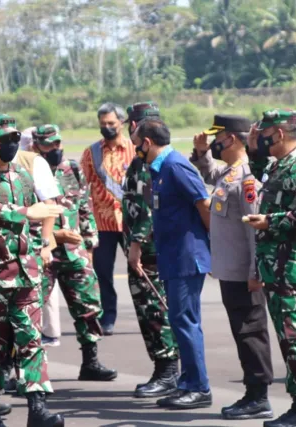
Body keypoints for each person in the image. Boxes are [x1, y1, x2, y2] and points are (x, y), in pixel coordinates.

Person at [0, 114, 65, 427]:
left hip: (26, 275)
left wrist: (43, 243)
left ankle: (37, 409)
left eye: (13, 138)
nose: (11, 144)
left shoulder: (21, 174)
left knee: (32, 341)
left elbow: (42, 212)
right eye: (3, 139)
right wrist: (25, 212)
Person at [191, 114, 274, 420]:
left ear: (234, 140)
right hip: (230, 270)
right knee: (242, 332)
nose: (215, 142)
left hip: (244, 273)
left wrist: (256, 271)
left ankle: (258, 396)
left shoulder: (248, 178)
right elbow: (212, 175)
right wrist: (201, 154)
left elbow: (256, 230)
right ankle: (253, 392)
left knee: (251, 332)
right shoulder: (231, 172)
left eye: (219, 138)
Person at [245, 108, 296, 427]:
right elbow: (265, 180)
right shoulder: (281, 164)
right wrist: (254, 150)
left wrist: (271, 221)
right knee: (289, 336)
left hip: (294, 268)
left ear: (278, 134)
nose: (261, 138)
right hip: (279, 267)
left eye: (264, 134)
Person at [135, 117, 213, 410]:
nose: (135, 151)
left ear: (146, 143)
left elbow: (204, 204)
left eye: (136, 145)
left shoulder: (175, 166)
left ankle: (198, 387)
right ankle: (188, 384)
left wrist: (211, 245)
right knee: (181, 322)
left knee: (185, 321)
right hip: (172, 256)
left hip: (185, 257)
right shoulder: (159, 169)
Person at [33, 124, 118, 382]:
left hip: (74, 251)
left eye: (58, 143)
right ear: (37, 146)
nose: (55, 149)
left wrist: (89, 244)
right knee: (31, 311)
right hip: (43, 250)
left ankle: (90, 362)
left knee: (87, 307)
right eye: (49, 145)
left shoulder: (72, 169)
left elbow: (84, 205)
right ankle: (27, 368)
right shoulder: (28, 171)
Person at [122, 102, 180, 398]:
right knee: (152, 310)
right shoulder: (142, 160)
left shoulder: (148, 162)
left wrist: (135, 246)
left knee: (154, 310)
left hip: (149, 252)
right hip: (147, 249)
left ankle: (167, 370)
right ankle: (166, 369)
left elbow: (146, 208)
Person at [80, 103, 135, 335]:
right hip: (102, 223)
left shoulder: (135, 150)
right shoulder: (91, 152)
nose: (107, 128)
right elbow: (83, 188)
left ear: (121, 123)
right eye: (103, 124)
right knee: (103, 273)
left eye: (111, 124)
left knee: (140, 270)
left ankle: (152, 314)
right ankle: (108, 316)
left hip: (131, 221)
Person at [18, 126, 62, 347]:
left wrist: (46, 244)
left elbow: (51, 205)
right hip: (6, 250)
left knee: (36, 302)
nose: (54, 149)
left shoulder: (33, 163)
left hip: (36, 245)